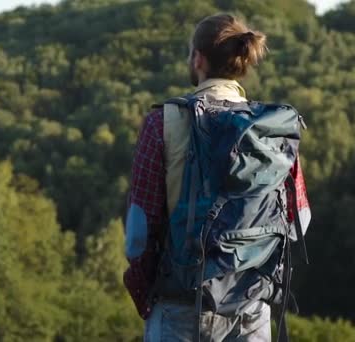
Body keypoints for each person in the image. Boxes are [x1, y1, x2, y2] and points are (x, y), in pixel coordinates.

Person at [123, 14, 310, 342]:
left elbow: (139, 232)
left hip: (179, 304)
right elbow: (300, 220)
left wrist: (144, 295)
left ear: (198, 59)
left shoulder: (162, 123)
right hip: (252, 310)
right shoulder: (272, 130)